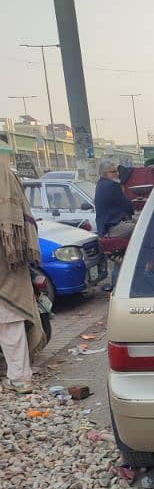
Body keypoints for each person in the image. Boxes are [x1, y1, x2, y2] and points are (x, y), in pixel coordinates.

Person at [0, 162, 46, 393]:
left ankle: (19, 377)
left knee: (9, 320)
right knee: (10, 321)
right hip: (11, 260)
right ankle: (19, 376)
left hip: (8, 260)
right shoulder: (7, 175)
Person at [94, 159, 135, 291]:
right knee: (143, 227)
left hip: (106, 229)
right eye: (113, 172)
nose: (117, 174)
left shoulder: (100, 185)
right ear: (104, 174)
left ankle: (116, 286)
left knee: (121, 259)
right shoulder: (111, 186)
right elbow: (128, 207)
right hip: (112, 229)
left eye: (116, 171)